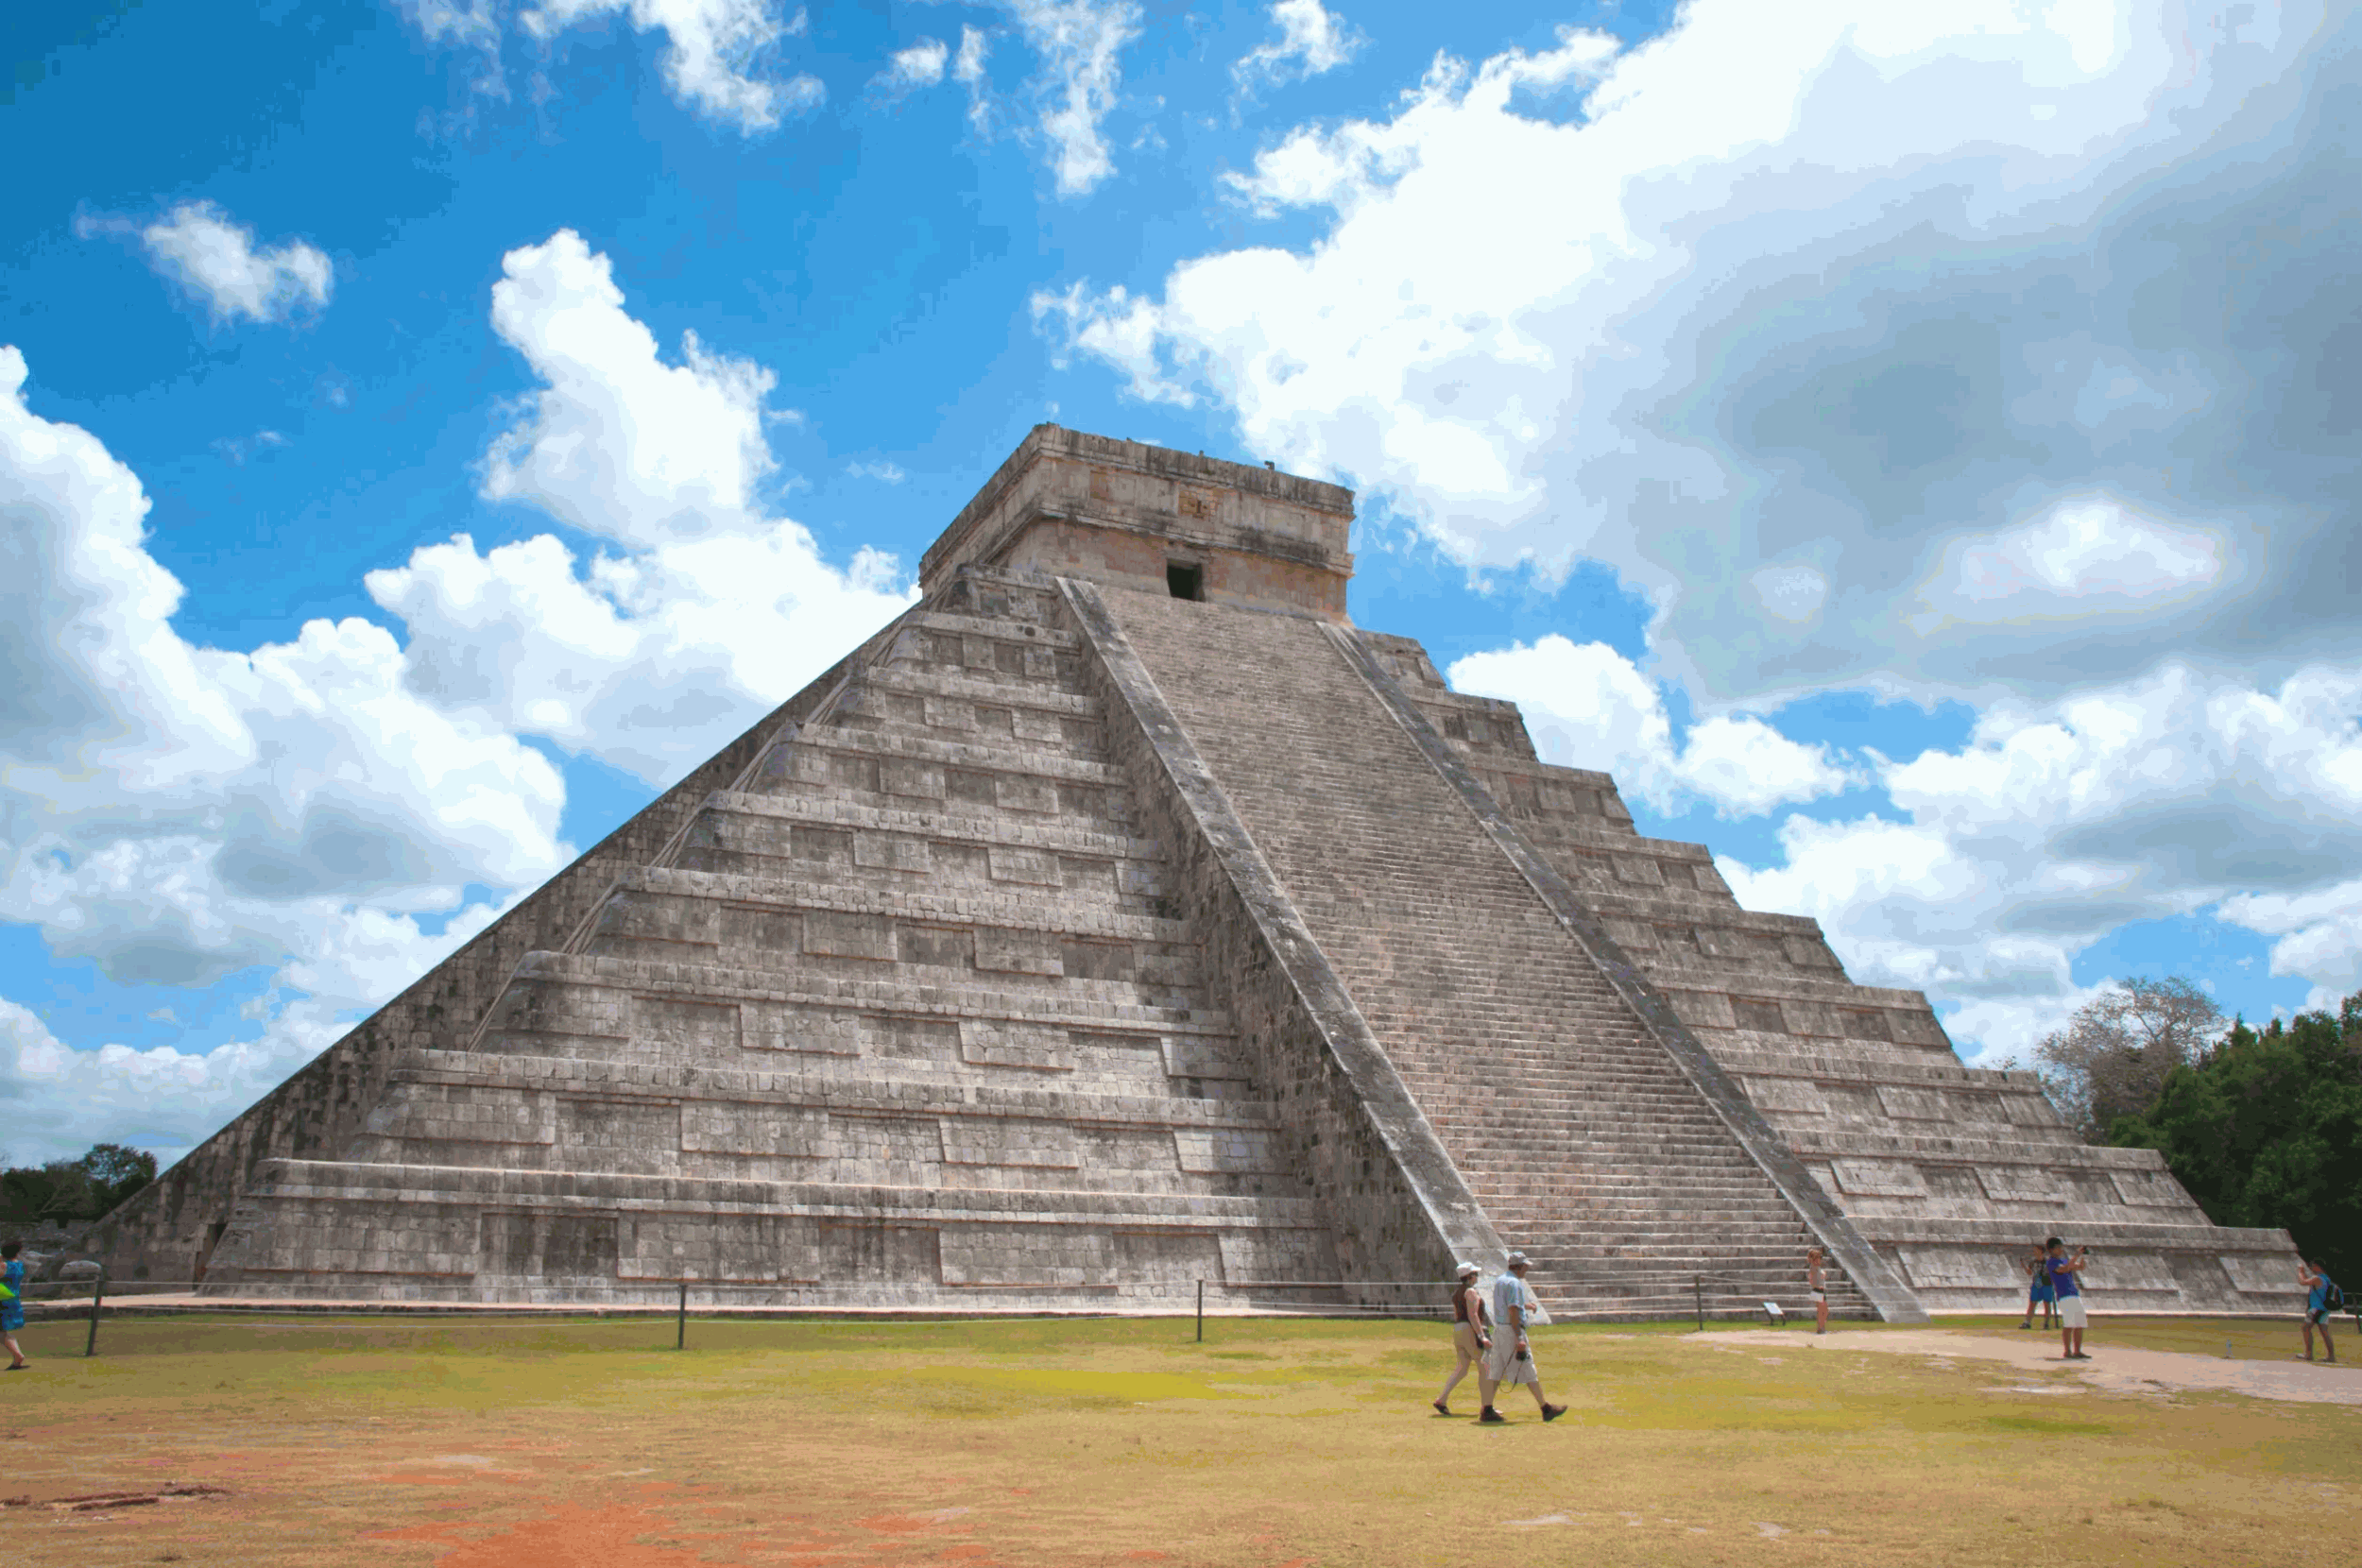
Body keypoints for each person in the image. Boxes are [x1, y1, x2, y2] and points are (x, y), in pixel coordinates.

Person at [1477, 1252, 1567, 1423]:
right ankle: (1545, 1408)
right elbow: (1513, 1311)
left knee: (1496, 1369)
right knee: (1527, 1368)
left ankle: (1487, 1408)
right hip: (1512, 1330)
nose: (1527, 1268)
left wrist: (1525, 1305)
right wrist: (1519, 1337)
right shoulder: (1514, 1283)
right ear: (1519, 1266)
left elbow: (1508, 1305)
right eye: (1525, 1265)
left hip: (1500, 1329)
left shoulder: (1501, 1280)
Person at [1433, 1262, 1492, 1415]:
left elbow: (1457, 1314)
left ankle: (1442, 1399)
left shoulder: (1457, 1293)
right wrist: (1481, 1336)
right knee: (1484, 1367)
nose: (1477, 1277)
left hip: (1458, 1328)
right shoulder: (1470, 1292)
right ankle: (1486, 1406)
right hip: (1468, 1328)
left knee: (1462, 1367)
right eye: (1475, 1274)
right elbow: (1473, 1315)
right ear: (1470, 1277)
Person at [2045, 1237, 2089, 1360]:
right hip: (2064, 1295)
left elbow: (2079, 1267)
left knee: (2080, 1322)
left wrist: (2083, 1257)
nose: (2061, 1249)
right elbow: (2064, 1268)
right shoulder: (2051, 1262)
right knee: (2069, 1323)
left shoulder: (2063, 1260)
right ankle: (2067, 1351)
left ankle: (2077, 1351)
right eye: (2058, 1247)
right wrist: (2077, 1254)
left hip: (2074, 1293)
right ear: (2052, 1250)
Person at [2299, 1259, 2338, 1364]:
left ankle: (2309, 1354)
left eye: (2313, 1266)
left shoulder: (2317, 1278)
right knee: (2324, 1331)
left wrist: (2301, 1272)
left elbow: (2303, 1282)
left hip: (2316, 1308)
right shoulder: (2327, 1278)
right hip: (2324, 1309)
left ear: (2317, 1266)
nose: (2311, 1268)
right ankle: (2331, 1356)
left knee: (2306, 1328)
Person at [1, 1241, 27, 1371]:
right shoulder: (19, 1265)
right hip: (13, 1299)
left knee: (1, 1331)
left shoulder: (3, 1266)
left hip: (2, 1301)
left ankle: (18, 1356)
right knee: (3, 1331)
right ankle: (18, 1356)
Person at [2020, 1245, 2057, 1331]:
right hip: (2036, 1285)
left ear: (2041, 1251)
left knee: (2047, 1304)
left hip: (2047, 1285)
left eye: (2036, 1250)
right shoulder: (2033, 1262)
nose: (2034, 1252)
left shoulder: (2048, 1262)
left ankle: (2046, 1324)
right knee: (2032, 1304)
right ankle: (2027, 1322)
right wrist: (2024, 1265)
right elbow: (2029, 1272)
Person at [1806, 1246, 1828, 1335]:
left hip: (1821, 1290)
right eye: (1819, 1258)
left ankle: (1822, 1327)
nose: (1820, 1260)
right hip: (1817, 1289)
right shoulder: (1813, 1267)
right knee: (1821, 1310)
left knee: (1825, 1310)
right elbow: (1810, 1278)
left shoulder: (1818, 1268)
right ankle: (1820, 1328)